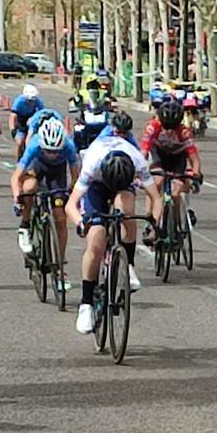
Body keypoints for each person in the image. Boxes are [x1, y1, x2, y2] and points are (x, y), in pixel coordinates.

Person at [65, 127, 161, 334]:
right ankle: (86, 304)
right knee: (96, 241)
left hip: (123, 184)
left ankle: (129, 264)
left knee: (127, 209)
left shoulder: (137, 161)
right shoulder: (92, 164)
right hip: (97, 187)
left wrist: (154, 222)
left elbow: (156, 198)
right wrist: (81, 223)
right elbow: (70, 205)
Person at [10, 115, 80, 284]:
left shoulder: (69, 147)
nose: (51, 155)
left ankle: (60, 265)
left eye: (56, 151)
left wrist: (71, 195)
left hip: (58, 173)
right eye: (48, 150)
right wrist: (17, 199)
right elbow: (15, 178)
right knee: (28, 188)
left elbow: (76, 177)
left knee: (60, 218)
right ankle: (25, 226)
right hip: (37, 167)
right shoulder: (34, 144)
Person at [140, 97, 203, 231]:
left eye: (173, 127)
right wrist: (140, 172)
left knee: (176, 192)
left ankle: (177, 224)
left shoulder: (184, 133)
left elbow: (194, 158)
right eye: (166, 126)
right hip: (159, 156)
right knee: (156, 183)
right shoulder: (152, 127)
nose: (169, 131)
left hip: (177, 158)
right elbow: (143, 153)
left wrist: (196, 174)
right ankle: (149, 220)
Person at [10, 84, 44, 161]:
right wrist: (12, 129)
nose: (31, 103)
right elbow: (13, 117)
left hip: (32, 120)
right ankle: (18, 162)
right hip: (20, 121)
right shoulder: (19, 101)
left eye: (33, 101)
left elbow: (42, 114)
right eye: (29, 101)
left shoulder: (38, 102)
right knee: (19, 142)